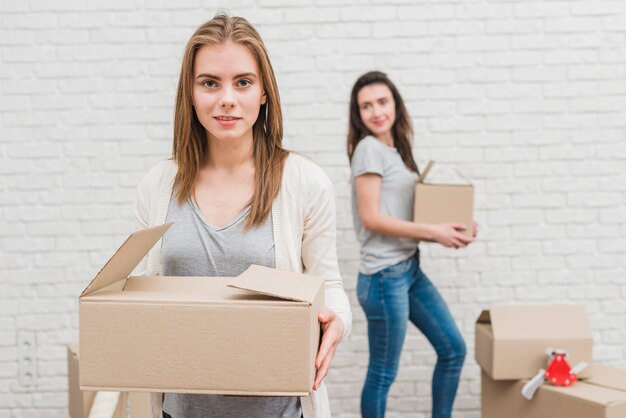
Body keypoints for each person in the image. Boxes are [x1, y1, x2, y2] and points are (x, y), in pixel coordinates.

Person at [133, 14, 352, 418]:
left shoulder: (304, 183)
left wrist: (337, 321)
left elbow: (330, 284)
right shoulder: (157, 185)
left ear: (264, 92)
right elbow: (147, 299)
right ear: (191, 93)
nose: (227, 99)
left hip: (281, 410)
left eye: (243, 82)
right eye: (210, 82)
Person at [347, 71, 475, 418]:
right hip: (384, 276)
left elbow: (407, 212)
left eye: (382, 101)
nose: (376, 111)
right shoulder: (369, 149)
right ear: (358, 114)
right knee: (383, 373)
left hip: (408, 269)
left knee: (453, 349)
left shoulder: (396, 151)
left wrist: (453, 225)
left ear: (395, 104)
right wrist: (434, 232)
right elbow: (372, 218)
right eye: (366, 106)